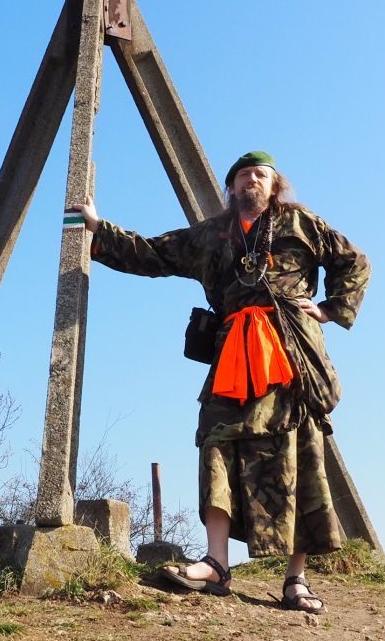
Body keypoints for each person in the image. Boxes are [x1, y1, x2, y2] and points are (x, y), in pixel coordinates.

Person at [70, 151, 369, 615]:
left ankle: (296, 579)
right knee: (216, 441)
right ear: (231, 187)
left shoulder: (302, 223)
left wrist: (329, 309)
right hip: (233, 349)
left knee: (297, 449)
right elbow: (153, 251)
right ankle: (216, 563)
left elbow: (355, 261)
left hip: (290, 348)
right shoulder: (212, 234)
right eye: (245, 174)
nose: (253, 179)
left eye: (262, 174)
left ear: (275, 185)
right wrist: (97, 228)